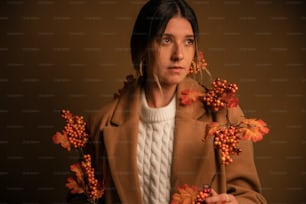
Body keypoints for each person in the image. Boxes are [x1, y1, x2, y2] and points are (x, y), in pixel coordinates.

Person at [68, 0, 267, 203]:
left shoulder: (224, 115)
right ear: (142, 46)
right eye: (166, 40)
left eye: (188, 41)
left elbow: (252, 198)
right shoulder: (101, 124)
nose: (179, 54)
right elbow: (79, 198)